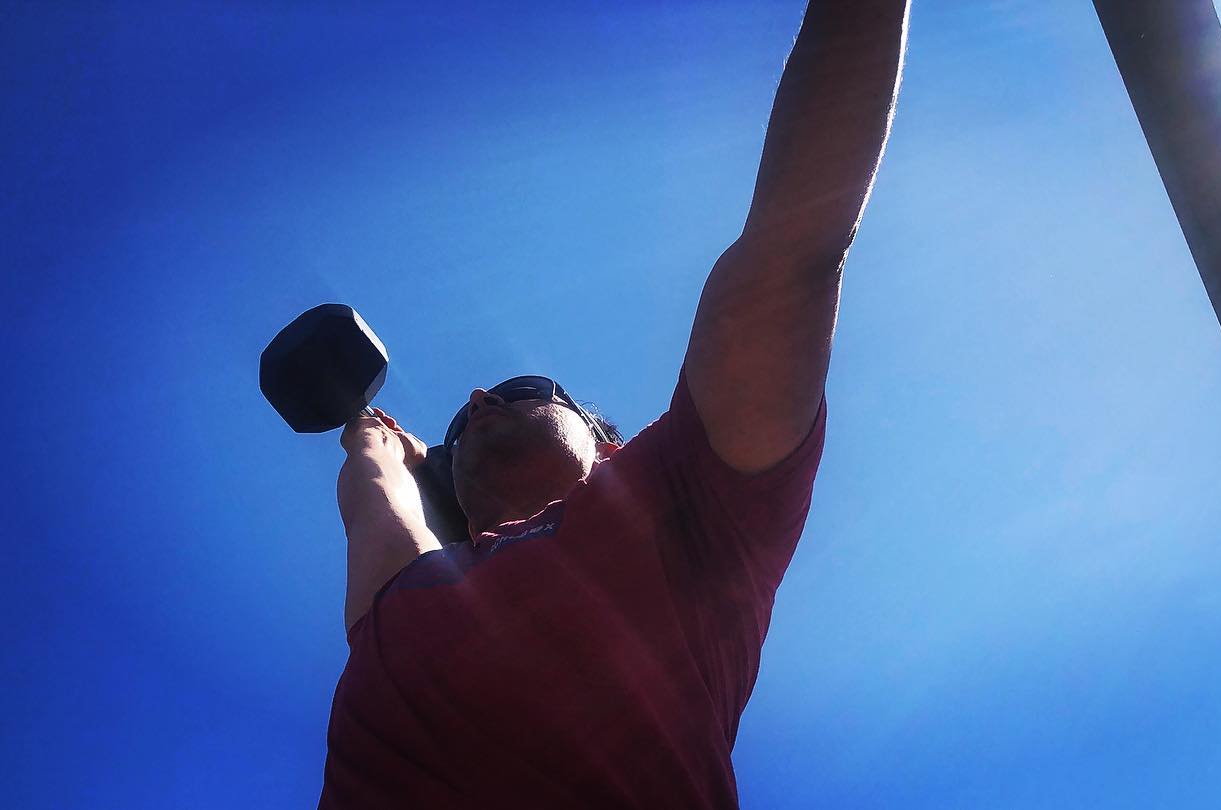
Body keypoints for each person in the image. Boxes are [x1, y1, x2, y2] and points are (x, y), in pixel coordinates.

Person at [319, 1, 908, 807]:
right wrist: (388, 444)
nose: (480, 397)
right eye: (463, 425)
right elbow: (374, 490)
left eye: (523, 392)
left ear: (607, 443)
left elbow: (795, 247)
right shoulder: (402, 602)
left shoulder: (685, 502)